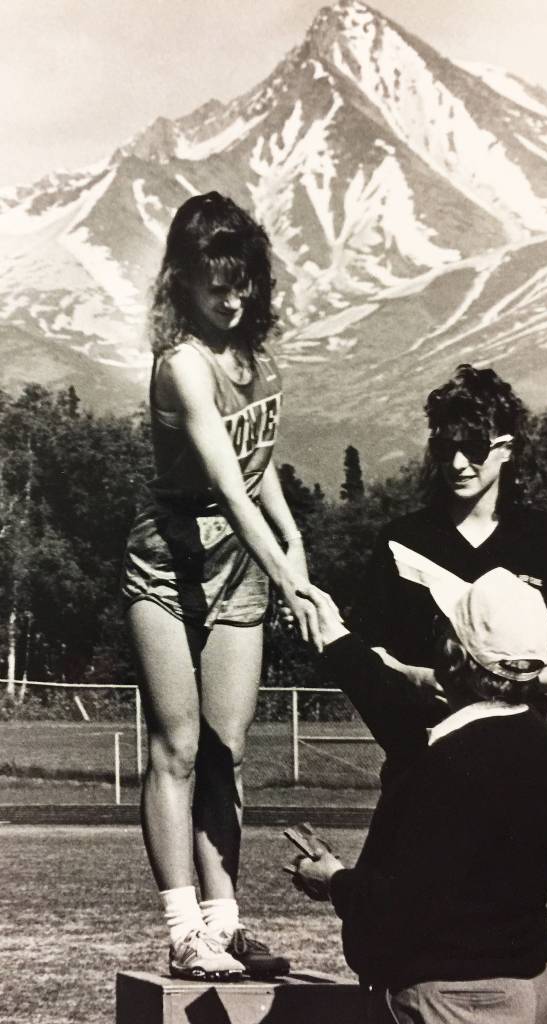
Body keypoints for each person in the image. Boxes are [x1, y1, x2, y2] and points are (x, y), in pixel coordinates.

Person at [121, 191, 323, 981]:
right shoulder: (181, 365)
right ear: (182, 280)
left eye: (243, 283)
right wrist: (290, 581)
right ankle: (183, 931)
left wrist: (294, 542)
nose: (231, 300)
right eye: (215, 285)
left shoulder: (258, 363)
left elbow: (257, 466)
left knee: (226, 753)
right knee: (176, 745)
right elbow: (226, 489)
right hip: (170, 557)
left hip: (237, 563)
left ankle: (225, 922)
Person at [291, 568, 547, 1024]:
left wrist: (333, 880)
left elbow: (402, 906)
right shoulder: (527, 733)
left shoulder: (453, 761)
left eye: (444, 627)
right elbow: (399, 715)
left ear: (454, 656)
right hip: (519, 990)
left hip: (456, 1002)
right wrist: (335, 635)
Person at [352, 364, 547, 697]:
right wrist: (417, 677)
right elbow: (368, 648)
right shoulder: (402, 539)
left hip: (514, 723)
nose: (458, 464)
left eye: (474, 448)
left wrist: (508, 686)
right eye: (444, 449)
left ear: (507, 448)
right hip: (422, 725)